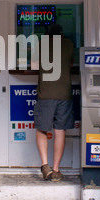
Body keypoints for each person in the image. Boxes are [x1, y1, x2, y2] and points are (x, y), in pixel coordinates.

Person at [34, 24, 74, 182]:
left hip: (46, 94)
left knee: (41, 129)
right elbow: (71, 64)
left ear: (47, 35)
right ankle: (56, 170)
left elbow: (35, 64)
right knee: (60, 131)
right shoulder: (69, 44)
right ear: (62, 36)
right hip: (64, 94)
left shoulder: (41, 44)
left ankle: (45, 166)